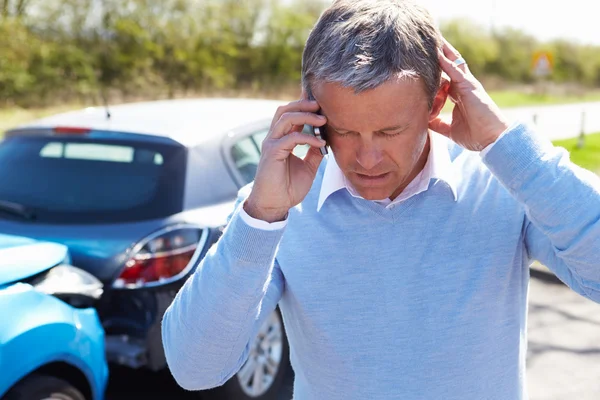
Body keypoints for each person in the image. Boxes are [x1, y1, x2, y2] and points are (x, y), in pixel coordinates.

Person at [161, 0, 600, 399]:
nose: (367, 158)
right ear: (311, 111)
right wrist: (260, 217)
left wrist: (506, 146)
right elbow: (195, 369)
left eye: (390, 131)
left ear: (437, 102)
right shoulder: (278, 205)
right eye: (346, 131)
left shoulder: (505, 180)